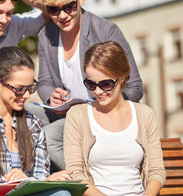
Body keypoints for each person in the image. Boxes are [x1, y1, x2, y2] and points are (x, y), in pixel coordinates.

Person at [27, 0, 143, 171]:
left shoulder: (106, 31)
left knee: (50, 136)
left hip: (98, 115)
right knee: (22, 112)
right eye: (53, 10)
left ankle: (86, 183)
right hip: (65, 113)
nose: (62, 15)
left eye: (69, 7)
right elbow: (44, 83)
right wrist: (50, 97)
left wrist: (100, 104)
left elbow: (135, 88)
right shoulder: (47, 34)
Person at [0, 46, 73, 196]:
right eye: (19, 89)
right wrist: (23, 183)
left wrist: (29, 181)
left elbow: (41, 174)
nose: (25, 95)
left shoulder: (33, 123)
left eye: (30, 88)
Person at [64, 41, 166, 195]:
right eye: (91, 84)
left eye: (105, 84)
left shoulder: (144, 114)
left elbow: (156, 170)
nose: (98, 91)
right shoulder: (77, 115)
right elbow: (76, 174)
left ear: (122, 77)